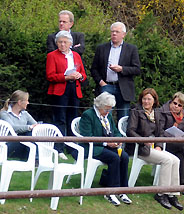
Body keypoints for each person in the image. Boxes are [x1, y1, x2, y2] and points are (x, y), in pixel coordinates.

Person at [127, 88, 183, 210]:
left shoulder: (157, 113)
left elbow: (160, 133)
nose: (146, 101)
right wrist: (143, 140)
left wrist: (159, 145)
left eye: (149, 99)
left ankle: (172, 194)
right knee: (167, 160)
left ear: (154, 101)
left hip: (154, 147)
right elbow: (130, 131)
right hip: (141, 148)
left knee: (176, 160)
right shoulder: (136, 111)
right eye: (144, 99)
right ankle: (161, 194)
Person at [78, 92, 131, 206]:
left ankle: (122, 190)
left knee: (125, 157)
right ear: (99, 105)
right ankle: (111, 191)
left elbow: (116, 132)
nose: (108, 112)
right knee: (114, 158)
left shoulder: (108, 116)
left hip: (107, 146)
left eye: (110, 109)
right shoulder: (88, 115)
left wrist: (118, 140)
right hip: (93, 147)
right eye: (107, 109)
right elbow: (87, 137)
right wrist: (106, 143)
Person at [46, 30, 86, 160]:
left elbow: (83, 74)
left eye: (65, 42)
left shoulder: (76, 55)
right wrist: (66, 77)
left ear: (70, 43)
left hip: (74, 88)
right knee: (60, 119)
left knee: (72, 118)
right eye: (60, 42)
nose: (62, 45)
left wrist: (80, 76)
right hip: (60, 89)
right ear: (56, 43)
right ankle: (58, 148)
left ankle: (72, 147)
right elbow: (50, 75)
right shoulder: (52, 55)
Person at [91, 22, 141, 119]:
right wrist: (101, 82)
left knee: (123, 117)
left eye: (117, 32)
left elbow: (137, 69)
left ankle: (121, 134)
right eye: (112, 31)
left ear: (123, 34)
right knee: (104, 116)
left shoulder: (131, 49)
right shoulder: (101, 48)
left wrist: (122, 69)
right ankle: (106, 134)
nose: (114, 34)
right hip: (106, 86)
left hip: (123, 87)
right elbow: (94, 69)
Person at [0, 90, 39, 160]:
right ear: (19, 102)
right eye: (27, 100)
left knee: (31, 133)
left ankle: (34, 159)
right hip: (7, 145)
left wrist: (35, 127)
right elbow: (12, 127)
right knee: (29, 132)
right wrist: (29, 127)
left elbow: (35, 125)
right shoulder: (4, 114)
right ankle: (35, 159)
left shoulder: (25, 114)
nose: (28, 103)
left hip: (20, 144)